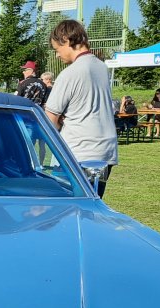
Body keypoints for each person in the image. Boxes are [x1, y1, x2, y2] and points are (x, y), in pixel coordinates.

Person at [44, 19, 118, 197]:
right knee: (91, 209)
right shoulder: (101, 67)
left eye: (57, 49)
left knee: (64, 212)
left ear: (66, 39)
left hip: (77, 153)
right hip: (104, 152)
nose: (57, 55)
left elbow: (50, 120)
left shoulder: (70, 73)